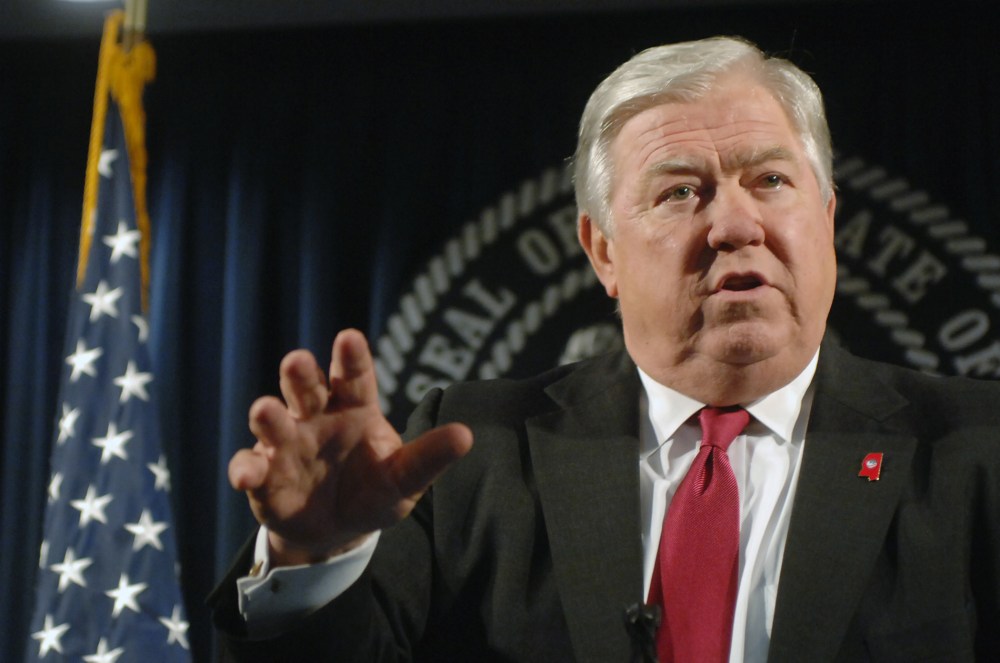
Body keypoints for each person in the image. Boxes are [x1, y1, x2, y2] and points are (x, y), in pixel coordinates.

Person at [210, 37, 1000, 661]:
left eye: (769, 180)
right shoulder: (472, 457)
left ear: (825, 218)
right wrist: (312, 560)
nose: (733, 224)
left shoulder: (977, 451)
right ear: (604, 252)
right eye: (679, 191)